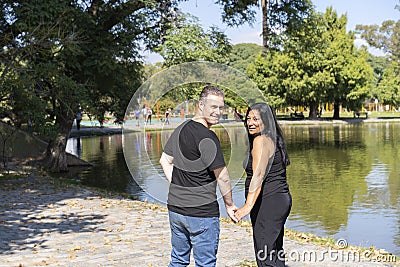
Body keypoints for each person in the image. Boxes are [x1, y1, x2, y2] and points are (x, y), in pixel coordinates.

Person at [159, 85, 238, 267]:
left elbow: (164, 161)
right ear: (201, 105)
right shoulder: (208, 137)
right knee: (205, 264)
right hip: (201, 213)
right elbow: (223, 176)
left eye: (221, 107)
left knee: (178, 261)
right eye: (213, 107)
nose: (218, 112)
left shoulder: (181, 129)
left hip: (176, 209)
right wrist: (230, 204)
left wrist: (179, 186)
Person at [234, 103, 292, 267]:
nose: (250, 123)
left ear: (266, 121)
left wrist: (247, 206)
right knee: (274, 252)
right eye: (248, 119)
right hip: (277, 201)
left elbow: (259, 175)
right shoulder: (271, 138)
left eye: (255, 119)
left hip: (269, 202)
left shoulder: (260, 140)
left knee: (265, 256)